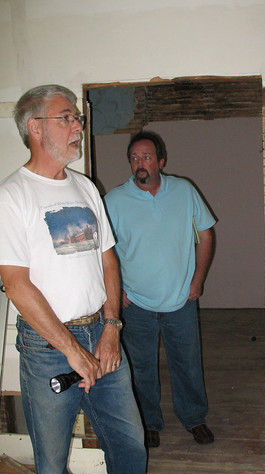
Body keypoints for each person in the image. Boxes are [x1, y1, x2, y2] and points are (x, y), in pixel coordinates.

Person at [0, 85, 146, 474]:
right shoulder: (12, 196)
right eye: (66, 117)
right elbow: (15, 283)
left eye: (77, 118)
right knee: (50, 472)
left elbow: (108, 261)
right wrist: (70, 349)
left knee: (130, 446)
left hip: (102, 335)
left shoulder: (85, 187)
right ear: (35, 127)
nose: (78, 125)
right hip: (47, 348)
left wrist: (113, 326)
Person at [104, 130, 216, 449]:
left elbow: (206, 235)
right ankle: (149, 421)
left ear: (161, 161)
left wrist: (198, 279)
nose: (140, 163)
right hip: (135, 302)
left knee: (188, 363)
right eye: (135, 158)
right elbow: (102, 252)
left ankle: (194, 418)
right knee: (140, 367)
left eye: (147, 157)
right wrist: (115, 291)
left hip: (180, 299)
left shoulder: (184, 191)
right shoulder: (113, 201)